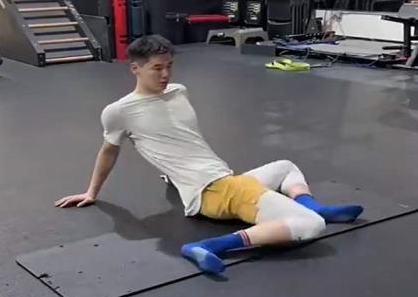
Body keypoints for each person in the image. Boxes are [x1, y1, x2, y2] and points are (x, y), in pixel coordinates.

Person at [55, 35, 363, 275]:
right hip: (213, 191)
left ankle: (316, 206)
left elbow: (178, 140)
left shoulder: (179, 91)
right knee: (311, 226)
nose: (165, 74)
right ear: (135, 68)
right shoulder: (119, 111)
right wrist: (91, 192)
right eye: (156, 68)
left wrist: (172, 174)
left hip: (225, 180)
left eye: (169, 66)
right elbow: (108, 151)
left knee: (285, 166)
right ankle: (209, 246)